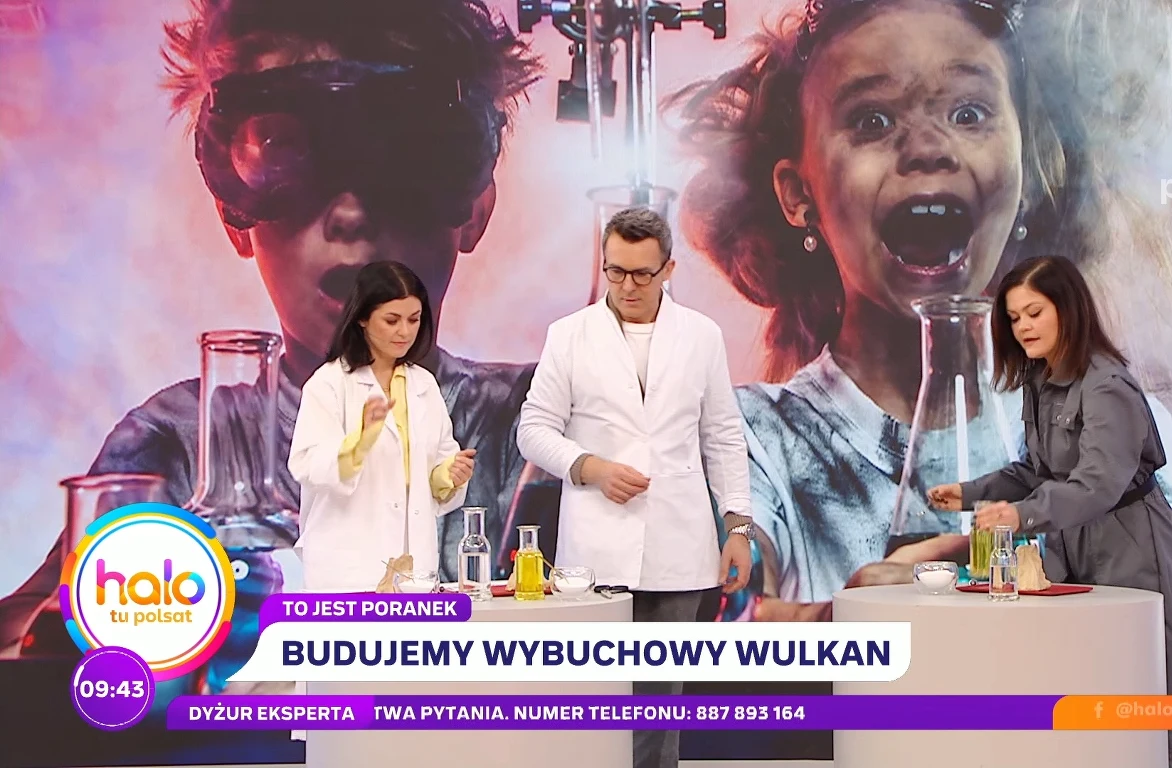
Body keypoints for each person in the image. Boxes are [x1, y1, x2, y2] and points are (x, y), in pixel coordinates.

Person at [669, 0, 1172, 673]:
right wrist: (839, 634)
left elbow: (1163, 558)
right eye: (872, 120)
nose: (927, 148)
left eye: (970, 113)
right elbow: (716, 621)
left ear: (1026, 171)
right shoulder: (746, 439)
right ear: (800, 194)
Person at [0, 0, 543, 655]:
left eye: (406, 149)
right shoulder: (180, 447)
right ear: (234, 213)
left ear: (474, 207)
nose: (349, 213)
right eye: (285, 150)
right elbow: (28, 648)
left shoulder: (538, 424)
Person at [516, 207, 754, 768]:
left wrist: (739, 526)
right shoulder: (569, 335)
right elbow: (533, 429)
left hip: (679, 546)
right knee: (595, 705)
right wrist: (589, 467)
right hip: (596, 551)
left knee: (658, 707)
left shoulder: (701, 336)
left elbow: (723, 436)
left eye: (642, 274)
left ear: (668, 269)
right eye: (615, 271)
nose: (626, 286)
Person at [930, 255, 1172, 768]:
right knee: (1080, 684)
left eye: (1034, 313)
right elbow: (1037, 470)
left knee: (1142, 690)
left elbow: (1097, 485)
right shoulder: (1039, 379)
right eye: (1014, 318)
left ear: (1067, 310)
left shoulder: (1107, 385)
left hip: (1129, 545)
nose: (1023, 327)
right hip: (1069, 545)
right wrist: (969, 492)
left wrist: (1020, 517)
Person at [290, 261, 476, 590]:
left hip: (413, 565)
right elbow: (306, 464)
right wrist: (360, 442)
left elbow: (433, 470)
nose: (404, 331)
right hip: (348, 569)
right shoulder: (329, 383)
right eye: (391, 320)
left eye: (414, 320)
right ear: (362, 318)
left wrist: (449, 475)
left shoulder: (424, 384)